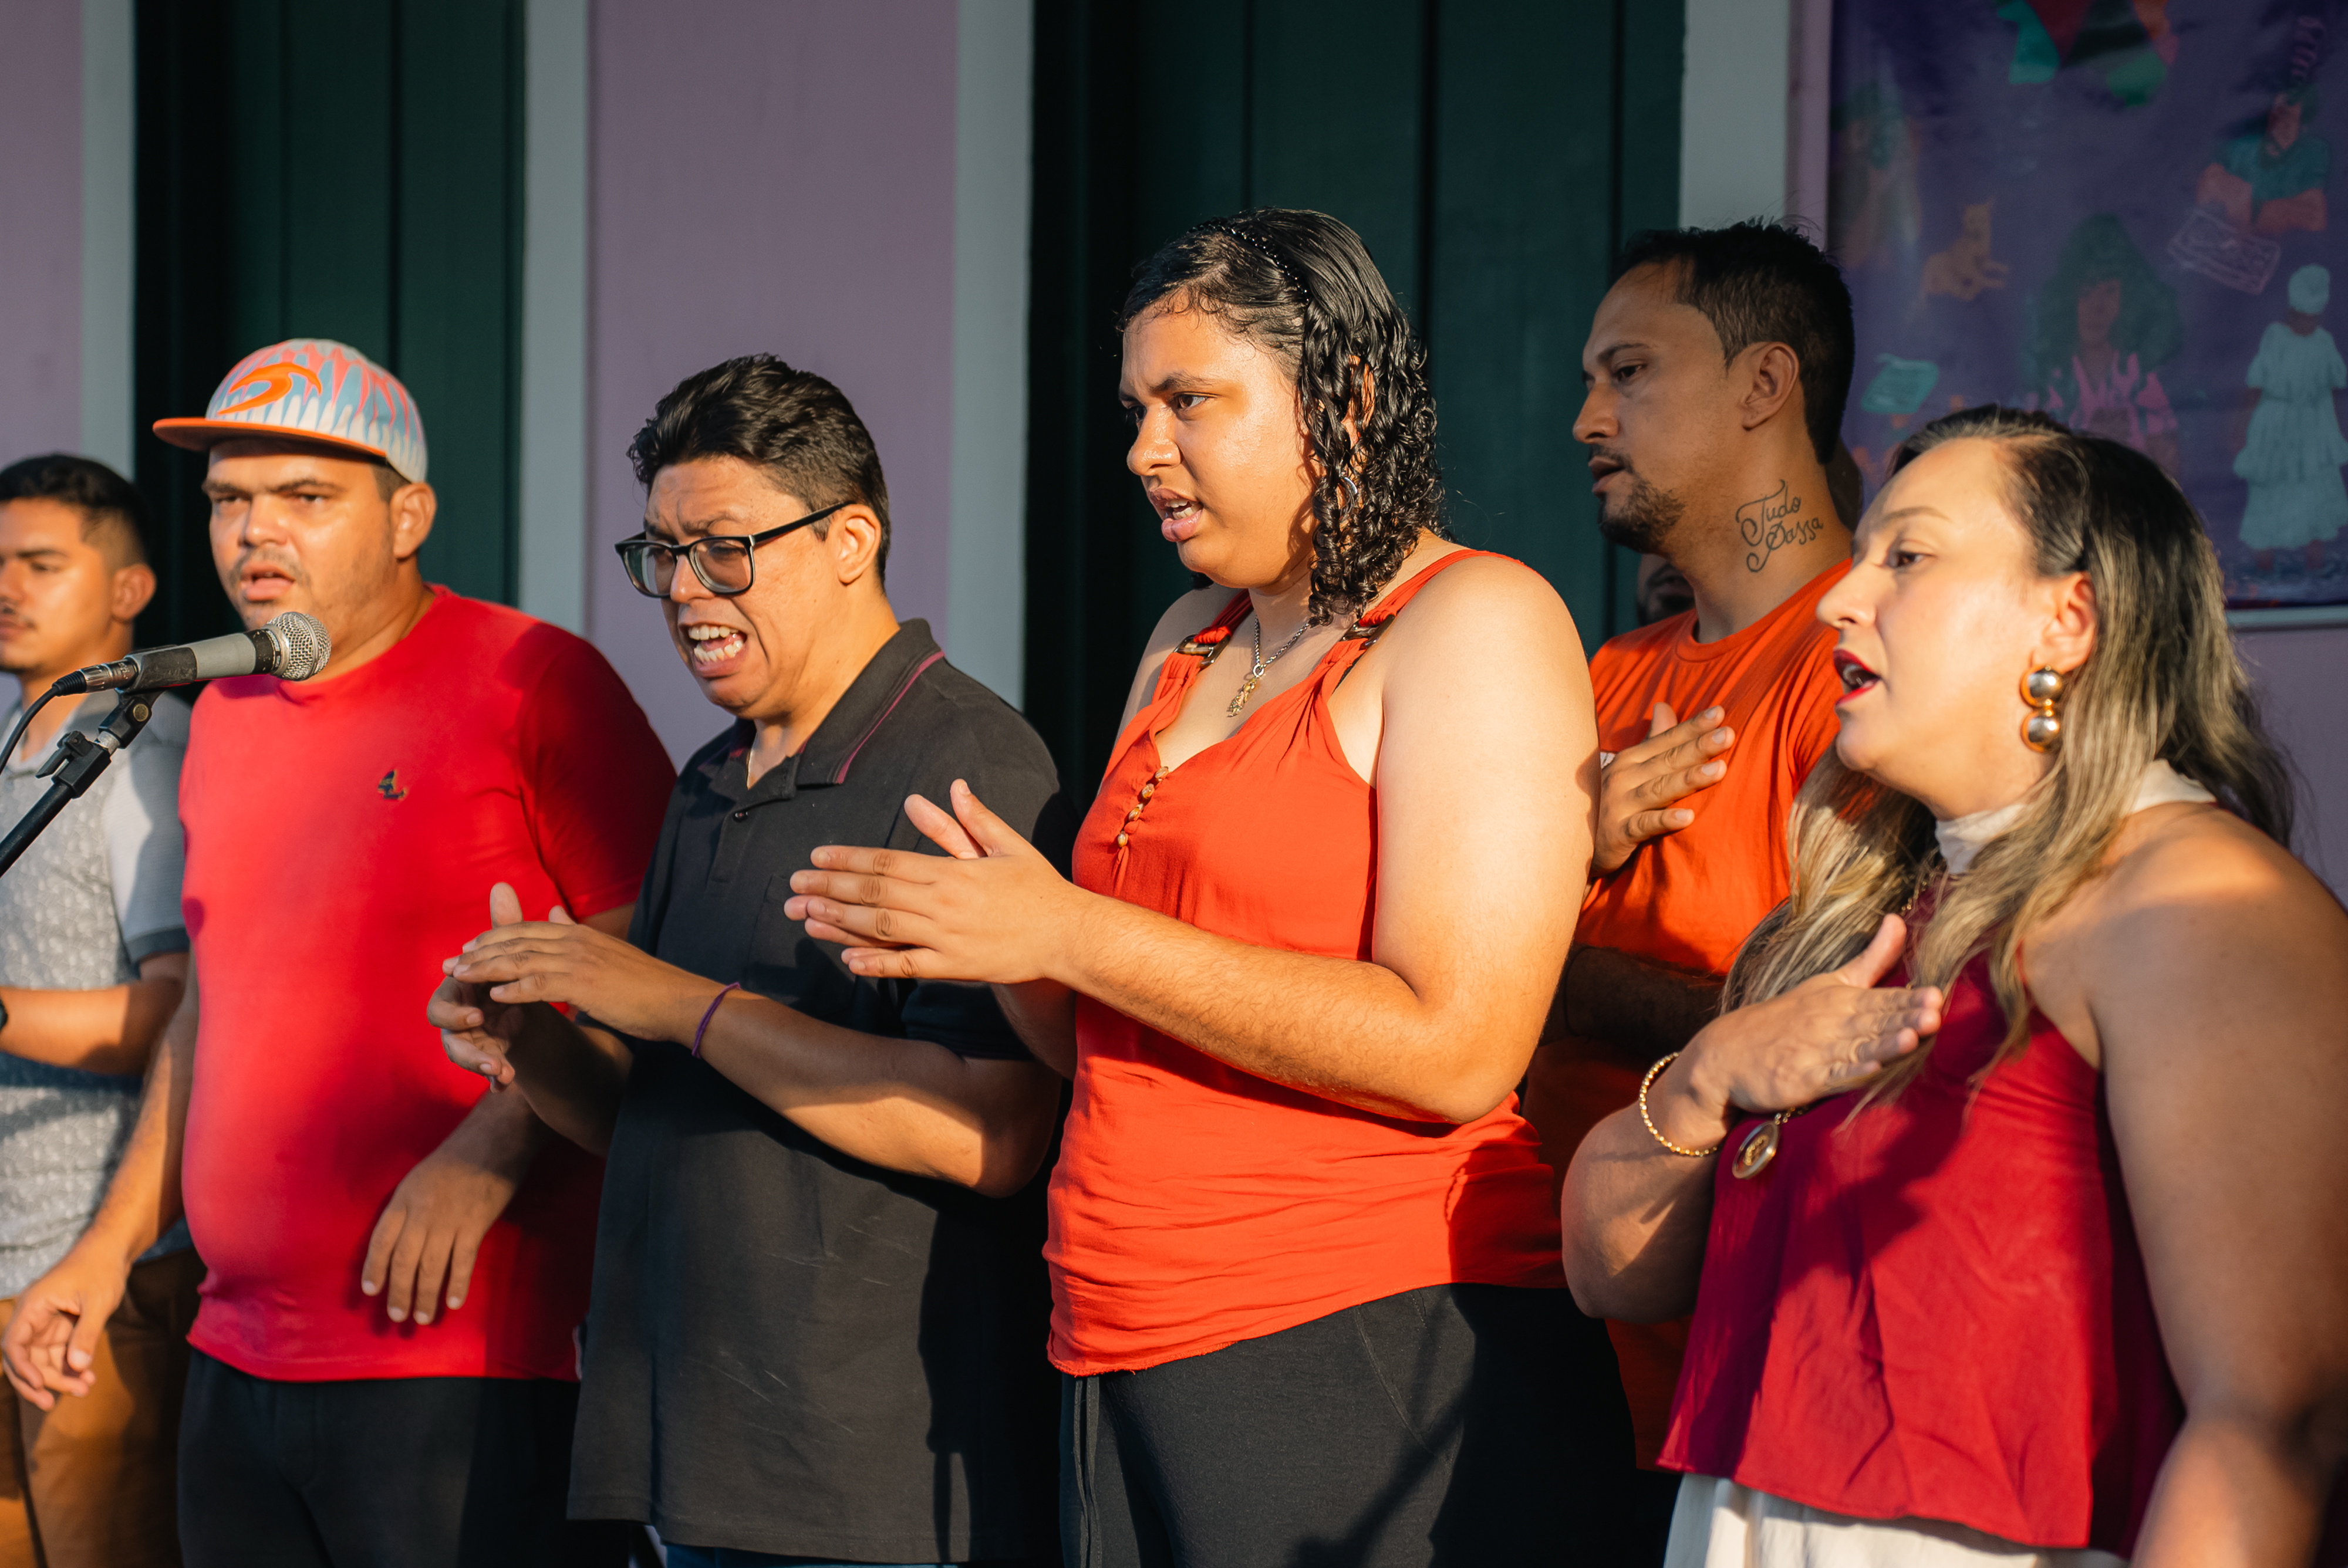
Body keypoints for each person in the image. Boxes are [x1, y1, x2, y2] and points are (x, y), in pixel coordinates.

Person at [779, 210, 1635, 1566]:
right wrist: (999, 941)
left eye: (1189, 401)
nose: (1141, 449)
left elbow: (1459, 1047)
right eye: (1135, 408)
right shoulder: (1186, 638)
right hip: (1114, 1329)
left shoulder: (1475, 621)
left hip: (1363, 1324)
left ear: (1342, 400)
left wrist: (1072, 928)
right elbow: (1105, 1039)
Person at [1563, 407, 2348, 1564]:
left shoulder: (2195, 901)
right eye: (1860, 555)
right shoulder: (1862, 916)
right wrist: (1713, 1070)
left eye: (1907, 556)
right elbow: (1605, 1270)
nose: (1838, 598)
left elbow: (2275, 1419)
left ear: (2067, 619)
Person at [0, 339, 674, 1567]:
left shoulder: (534, 680)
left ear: (409, 516)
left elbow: (652, 969)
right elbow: (209, 1006)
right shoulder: (223, 713)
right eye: (229, 500)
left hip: (460, 1353)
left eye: (305, 496)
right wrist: (104, 1250)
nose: (255, 531)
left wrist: (489, 1149)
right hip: (232, 1353)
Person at [431, 356, 1068, 1566]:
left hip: (867, 1481)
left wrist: (677, 1001)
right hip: (683, 1459)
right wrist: (532, 1037)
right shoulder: (710, 778)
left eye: (723, 549)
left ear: (850, 540)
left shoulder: (967, 759)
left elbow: (991, 1134)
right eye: (661, 554)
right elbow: (642, 1113)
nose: (682, 590)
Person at [1527, 221, 1858, 1543]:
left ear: (1763, 384)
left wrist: (1557, 977)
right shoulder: (1605, 673)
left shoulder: (1862, 671)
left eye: (1628, 372)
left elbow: (1852, 1028)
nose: (1585, 419)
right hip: (1537, 1371)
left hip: (1736, 1421)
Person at [0, 456, 197, 1568]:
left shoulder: (147, 756)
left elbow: (176, 1012)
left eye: (40, 564)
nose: (7, 588)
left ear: (130, 590)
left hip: (97, 1275)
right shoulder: (16, 747)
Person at [2025, 215, 2183, 477]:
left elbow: (2171, 470)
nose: (2097, 308)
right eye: (2086, 293)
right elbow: (2030, 469)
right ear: (2067, 299)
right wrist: (2089, 438)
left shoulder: (2140, 375)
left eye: (2110, 292)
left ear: (2130, 299)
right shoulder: (2048, 379)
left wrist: (2156, 451)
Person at [2235, 263, 2348, 582]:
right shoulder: (2275, 338)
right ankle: (2265, 565)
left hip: (2313, 430)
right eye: (2300, 316)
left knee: (2314, 492)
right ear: (2291, 311)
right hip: (2276, 428)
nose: (2306, 323)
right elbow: (2256, 384)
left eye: (2312, 317)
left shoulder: (2324, 343)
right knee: (2270, 492)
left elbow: (2333, 389)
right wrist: (2242, 426)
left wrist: (2335, 432)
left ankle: (2315, 564)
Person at [2198, 82, 2329, 237]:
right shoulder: (2240, 148)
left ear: (2303, 125)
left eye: (2289, 116)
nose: (2279, 120)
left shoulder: (2313, 154)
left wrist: (2258, 210)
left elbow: (2315, 218)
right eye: (2277, 111)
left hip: (2271, 243)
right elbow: (2207, 188)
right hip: (2219, 237)